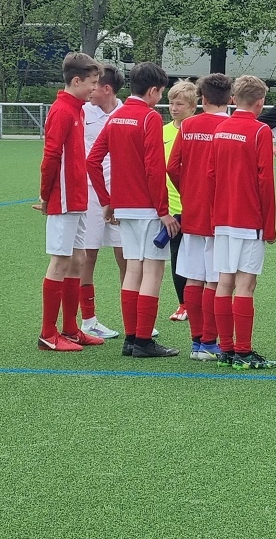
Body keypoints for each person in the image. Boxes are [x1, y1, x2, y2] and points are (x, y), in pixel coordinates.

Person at [87, 61, 180, 358]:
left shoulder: (116, 117)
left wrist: (107, 200)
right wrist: (163, 210)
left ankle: (131, 339)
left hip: (124, 207)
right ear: (152, 91)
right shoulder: (149, 117)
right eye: (161, 93)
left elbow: (93, 160)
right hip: (148, 208)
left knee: (133, 270)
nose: (160, 98)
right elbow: (154, 168)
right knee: (152, 271)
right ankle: (143, 341)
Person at [208, 75, 276, 370]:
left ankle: (225, 349)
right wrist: (269, 225)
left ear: (234, 99)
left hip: (223, 217)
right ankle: (243, 351)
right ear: (260, 102)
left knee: (224, 281)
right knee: (246, 284)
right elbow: (265, 181)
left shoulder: (221, 128)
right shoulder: (260, 131)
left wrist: (215, 213)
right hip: (249, 219)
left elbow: (211, 175)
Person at [37, 52, 104, 351]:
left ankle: (70, 329)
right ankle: (47, 334)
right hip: (63, 197)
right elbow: (51, 155)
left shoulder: (78, 110)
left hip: (77, 196)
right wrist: (46, 194)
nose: (95, 88)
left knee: (78, 259)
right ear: (76, 81)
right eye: (92, 82)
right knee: (61, 260)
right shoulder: (62, 111)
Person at [167, 74, 232, 362]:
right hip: (221, 214)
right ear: (230, 98)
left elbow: (172, 167)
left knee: (194, 277)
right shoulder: (230, 126)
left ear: (202, 98)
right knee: (215, 280)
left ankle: (197, 342)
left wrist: (189, 191)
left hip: (192, 211)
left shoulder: (189, 125)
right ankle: (209, 342)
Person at [78, 64, 127, 341]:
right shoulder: (82, 112)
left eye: (95, 84)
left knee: (126, 256)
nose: (90, 89)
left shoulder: (126, 113)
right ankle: (88, 320)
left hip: (122, 196)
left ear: (107, 88)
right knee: (88, 255)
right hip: (90, 195)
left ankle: (132, 320)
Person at [163, 81, 197, 321]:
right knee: (176, 256)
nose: (174, 108)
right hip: (171, 207)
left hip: (195, 206)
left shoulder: (196, 131)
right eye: (171, 103)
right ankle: (183, 304)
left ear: (193, 107)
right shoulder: (162, 132)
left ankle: (199, 302)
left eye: (179, 104)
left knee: (197, 256)